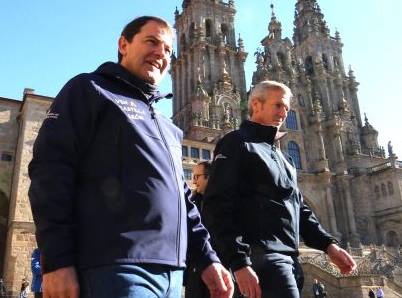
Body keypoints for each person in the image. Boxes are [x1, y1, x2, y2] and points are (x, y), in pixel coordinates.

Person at [28, 16, 232, 298]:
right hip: (113, 267)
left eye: (168, 50)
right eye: (151, 41)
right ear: (123, 44)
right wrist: (57, 260)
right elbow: (50, 171)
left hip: (172, 275)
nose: (161, 53)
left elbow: (182, 200)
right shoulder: (90, 90)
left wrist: (207, 259)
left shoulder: (168, 128)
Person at [202, 80, 357, 298]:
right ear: (256, 105)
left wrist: (329, 245)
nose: (284, 113)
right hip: (262, 261)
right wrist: (238, 262)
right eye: (278, 105)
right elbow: (216, 206)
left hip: (290, 261)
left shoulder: (283, 158)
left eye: (287, 108)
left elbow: (299, 208)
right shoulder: (236, 143)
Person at [184, 161, 213, 298]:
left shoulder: (222, 203)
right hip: (193, 275)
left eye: (197, 177)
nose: (194, 181)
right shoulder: (192, 202)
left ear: (209, 177)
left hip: (215, 269)